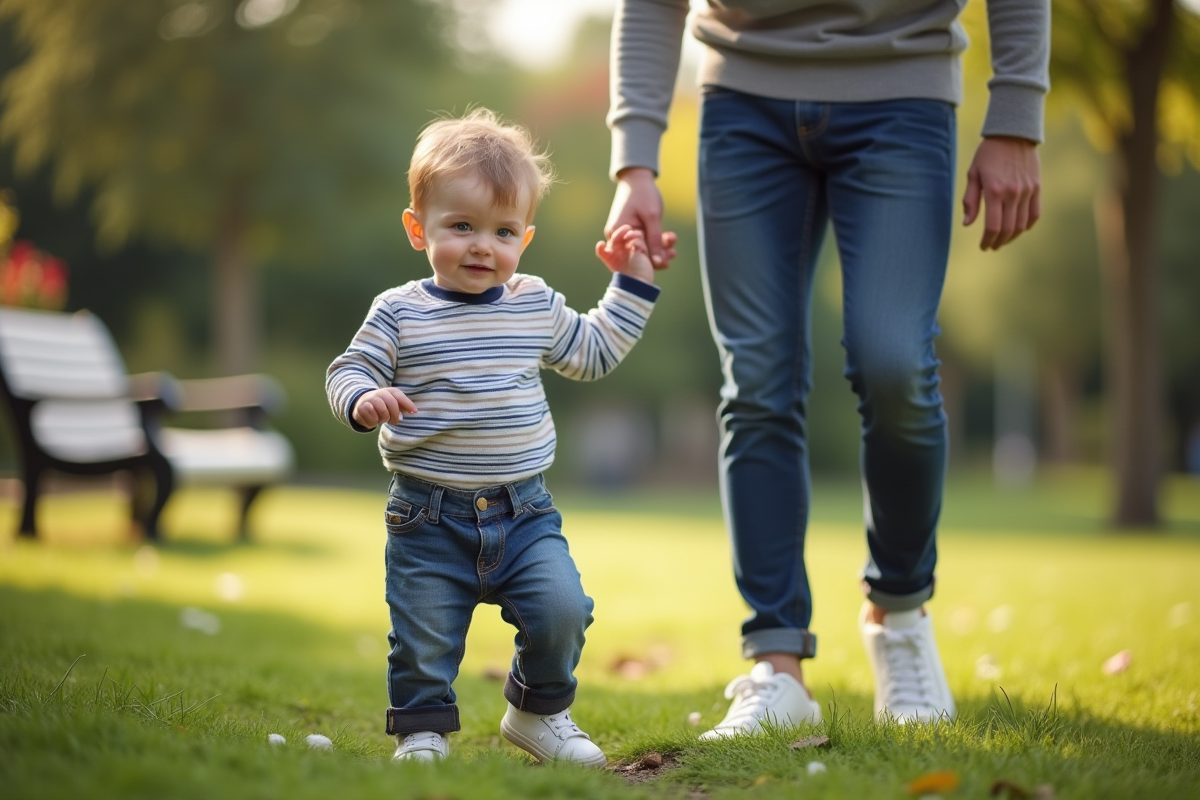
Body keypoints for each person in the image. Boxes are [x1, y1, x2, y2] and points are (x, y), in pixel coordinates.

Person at [605, 0, 1048, 737]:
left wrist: (1015, 116)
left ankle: (899, 615)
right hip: (742, 99)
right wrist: (635, 159)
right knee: (756, 384)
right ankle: (776, 667)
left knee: (896, 362)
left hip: (902, 93)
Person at [326, 109, 671, 763]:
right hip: (427, 515)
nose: (483, 245)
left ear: (525, 238)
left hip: (524, 512)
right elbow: (351, 368)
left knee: (563, 609)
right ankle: (423, 731)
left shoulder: (533, 304)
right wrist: (363, 398)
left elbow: (593, 351)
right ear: (416, 227)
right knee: (423, 633)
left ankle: (537, 713)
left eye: (503, 231)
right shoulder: (399, 311)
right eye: (462, 227)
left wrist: (636, 281)